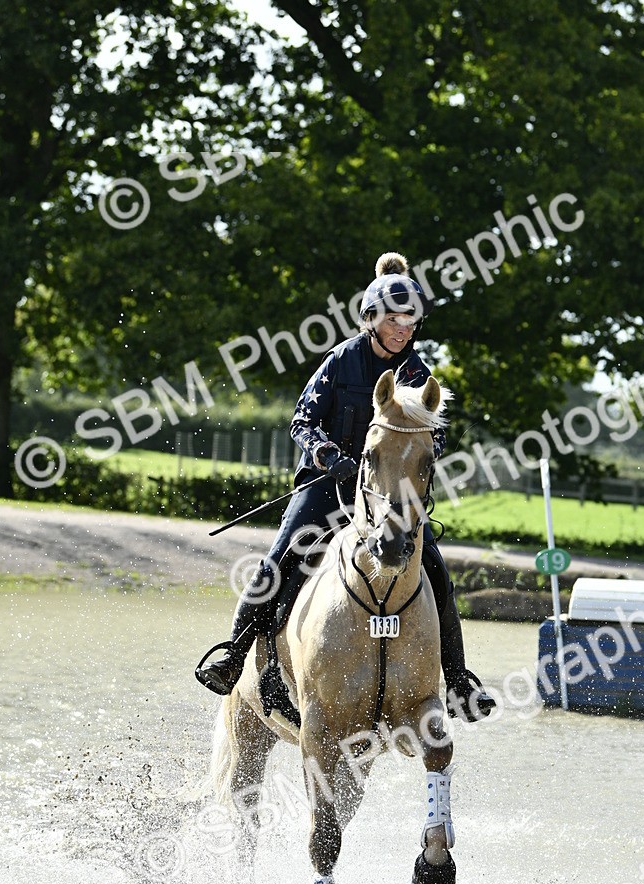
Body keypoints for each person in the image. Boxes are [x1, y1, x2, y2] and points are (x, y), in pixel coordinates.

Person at [195, 252, 495, 723]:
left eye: (410, 323)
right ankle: (233, 656)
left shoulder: (416, 373)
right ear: (373, 318)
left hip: (387, 494)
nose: (403, 331)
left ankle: (457, 680)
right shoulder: (342, 361)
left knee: (435, 568)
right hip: (326, 484)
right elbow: (302, 420)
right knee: (280, 557)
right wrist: (329, 455)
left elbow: (433, 432)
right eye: (395, 321)